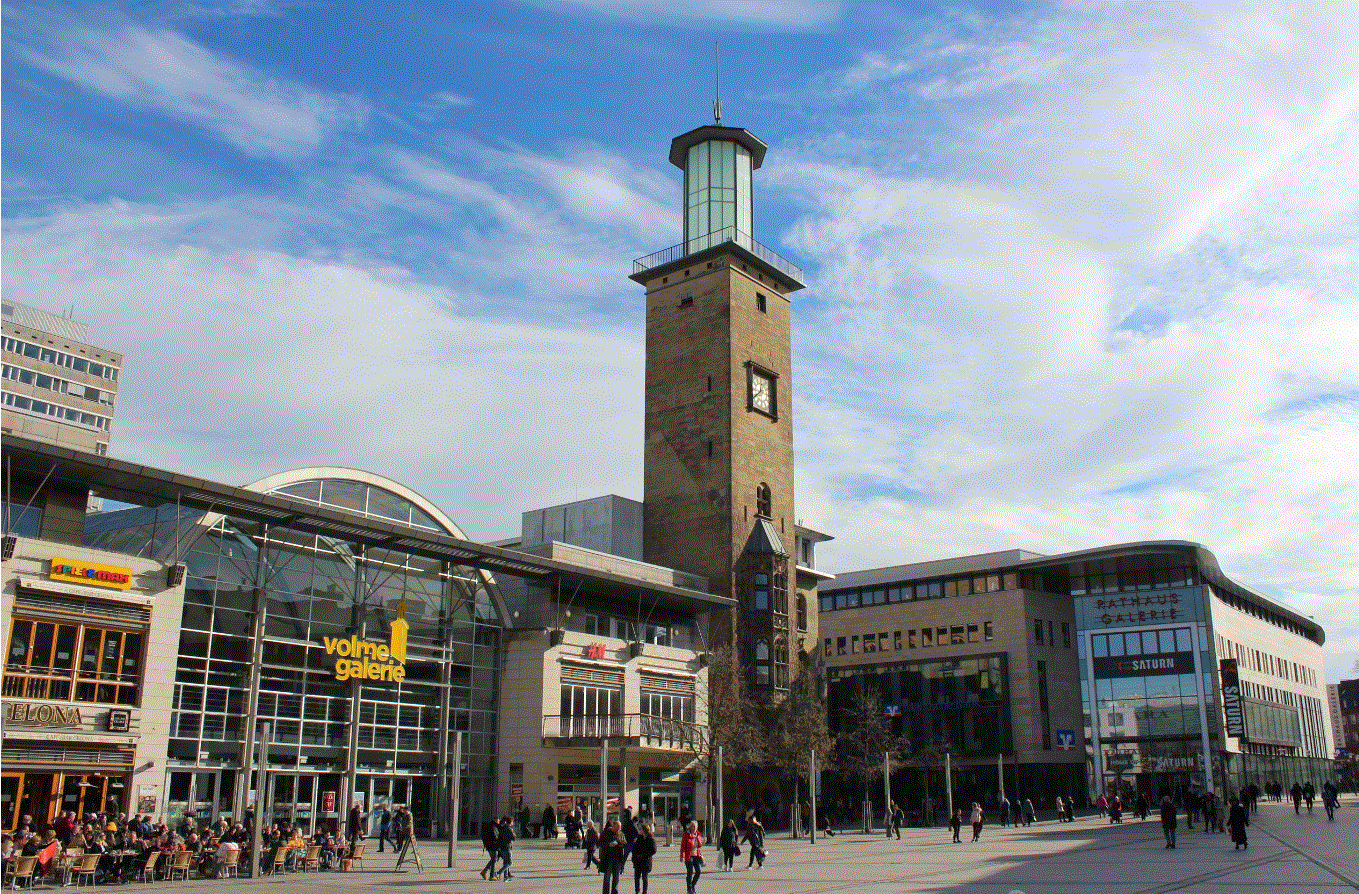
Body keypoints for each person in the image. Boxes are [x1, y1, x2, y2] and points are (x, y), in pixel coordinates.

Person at [600, 819, 625, 894]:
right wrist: (608, 845)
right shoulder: (606, 833)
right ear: (613, 827)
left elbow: (624, 843)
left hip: (617, 859)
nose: (618, 831)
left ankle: (615, 892)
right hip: (608, 858)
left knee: (616, 878)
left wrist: (619, 843)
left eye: (619, 829)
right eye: (617, 829)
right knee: (607, 878)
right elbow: (600, 843)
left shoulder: (620, 834)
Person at [631, 822, 656, 894]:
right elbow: (634, 848)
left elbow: (653, 850)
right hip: (638, 861)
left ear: (644, 830)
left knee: (644, 878)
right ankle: (637, 890)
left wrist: (644, 854)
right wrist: (635, 857)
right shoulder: (639, 838)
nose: (640, 830)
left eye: (641, 829)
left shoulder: (650, 839)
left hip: (645, 861)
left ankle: (644, 892)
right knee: (636, 877)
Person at [680, 820, 702, 894]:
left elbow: (699, 846)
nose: (693, 828)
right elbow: (683, 846)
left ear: (697, 827)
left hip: (696, 856)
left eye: (694, 827)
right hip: (689, 856)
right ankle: (689, 889)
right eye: (692, 826)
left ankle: (692, 885)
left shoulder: (698, 835)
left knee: (698, 871)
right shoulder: (686, 835)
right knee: (690, 872)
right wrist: (682, 856)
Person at [496, 814, 515, 880]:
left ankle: (506, 877)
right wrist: (512, 833)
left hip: (502, 847)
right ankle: (499, 872)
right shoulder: (509, 829)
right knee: (509, 862)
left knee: (505, 862)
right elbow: (513, 838)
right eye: (512, 822)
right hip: (507, 847)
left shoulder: (502, 829)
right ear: (510, 822)